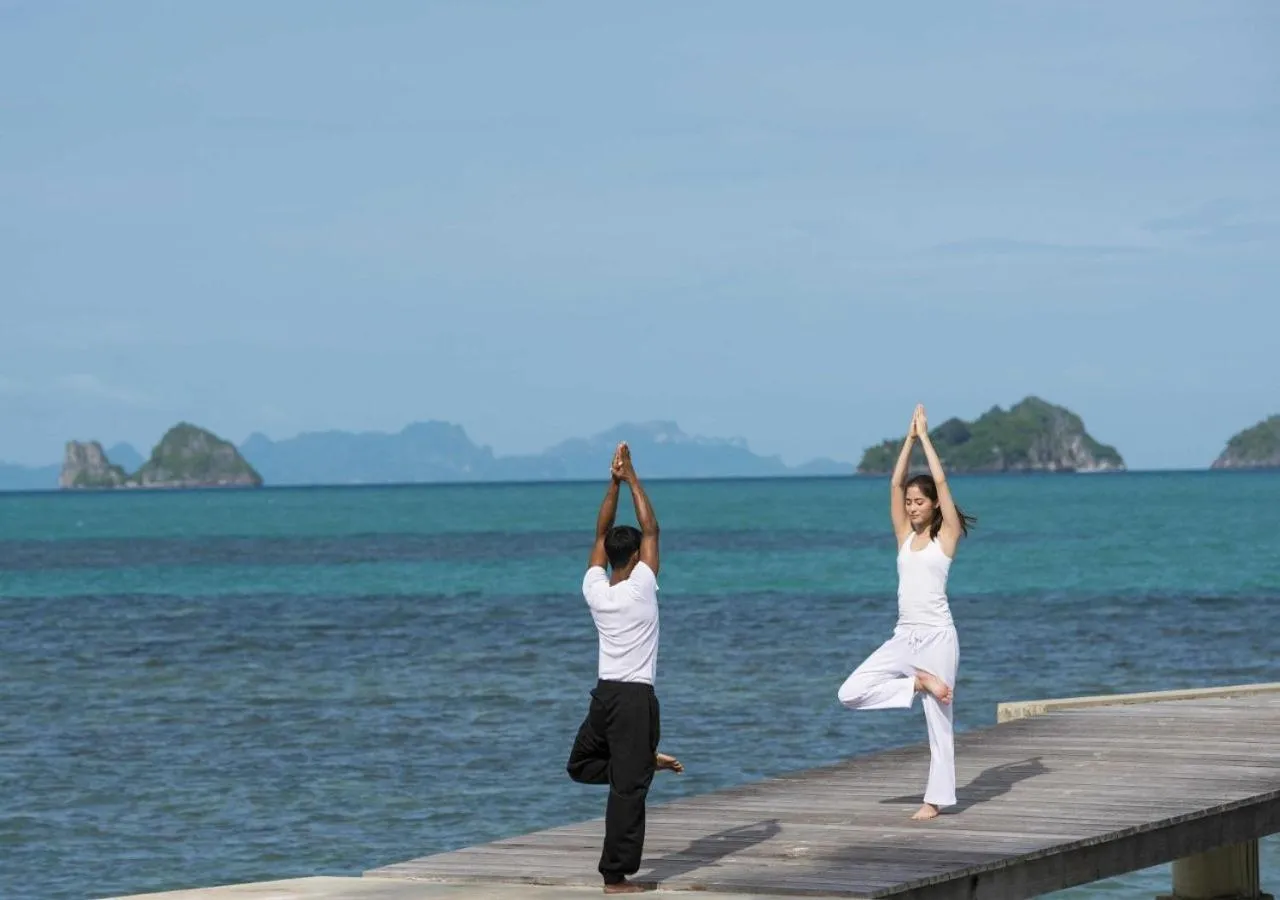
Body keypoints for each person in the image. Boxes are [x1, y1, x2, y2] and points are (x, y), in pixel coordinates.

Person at [837, 404, 976, 821]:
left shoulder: (945, 538)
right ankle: (916, 685)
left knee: (940, 723)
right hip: (904, 637)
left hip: (938, 637)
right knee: (849, 692)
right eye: (910, 503)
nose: (913, 507)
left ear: (934, 506)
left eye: (920, 502)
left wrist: (928, 441)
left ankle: (934, 801)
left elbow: (942, 481)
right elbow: (895, 483)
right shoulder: (903, 536)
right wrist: (909, 438)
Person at [566, 442, 683, 894]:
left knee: (581, 765)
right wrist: (632, 478)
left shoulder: (595, 589)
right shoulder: (641, 588)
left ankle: (634, 761)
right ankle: (615, 878)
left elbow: (599, 535)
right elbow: (652, 529)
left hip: (604, 697)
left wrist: (611, 483)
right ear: (636, 559)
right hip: (634, 699)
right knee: (628, 792)